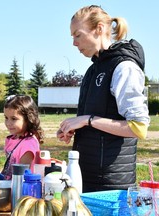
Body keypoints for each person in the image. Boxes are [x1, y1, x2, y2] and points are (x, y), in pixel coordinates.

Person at [57, 5, 150, 192]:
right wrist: (75, 129)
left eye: (78, 35)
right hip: (88, 180)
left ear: (99, 29)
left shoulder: (124, 67)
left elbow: (138, 128)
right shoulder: (93, 69)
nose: (74, 43)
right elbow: (98, 124)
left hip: (112, 188)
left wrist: (88, 121)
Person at [1, 95, 44, 180]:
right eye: (6, 118)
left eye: (14, 119)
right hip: (10, 183)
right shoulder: (12, 139)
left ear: (28, 119)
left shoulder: (28, 144)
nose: (8, 123)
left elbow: (21, 175)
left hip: (20, 188)